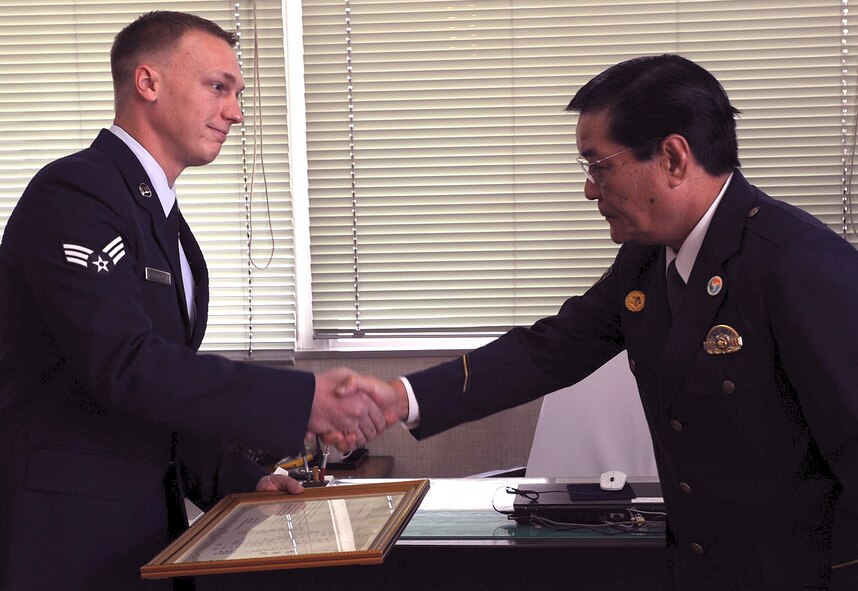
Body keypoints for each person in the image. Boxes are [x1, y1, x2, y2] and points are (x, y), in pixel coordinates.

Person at [361, 54, 858, 590]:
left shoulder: (797, 264)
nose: (590, 190)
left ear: (671, 157)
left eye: (599, 165)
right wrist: (401, 398)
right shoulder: (648, 259)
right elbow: (553, 347)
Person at [0, 11, 385, 591]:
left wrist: (240, 478)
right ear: (148, 83)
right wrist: (303, 398)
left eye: (237, 93)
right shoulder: (74, 193)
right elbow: (126, 366)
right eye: (217, 87)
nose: (235, 111)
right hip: (65, 535)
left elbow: (159, 403)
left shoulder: (159, 215)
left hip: (142, 534)